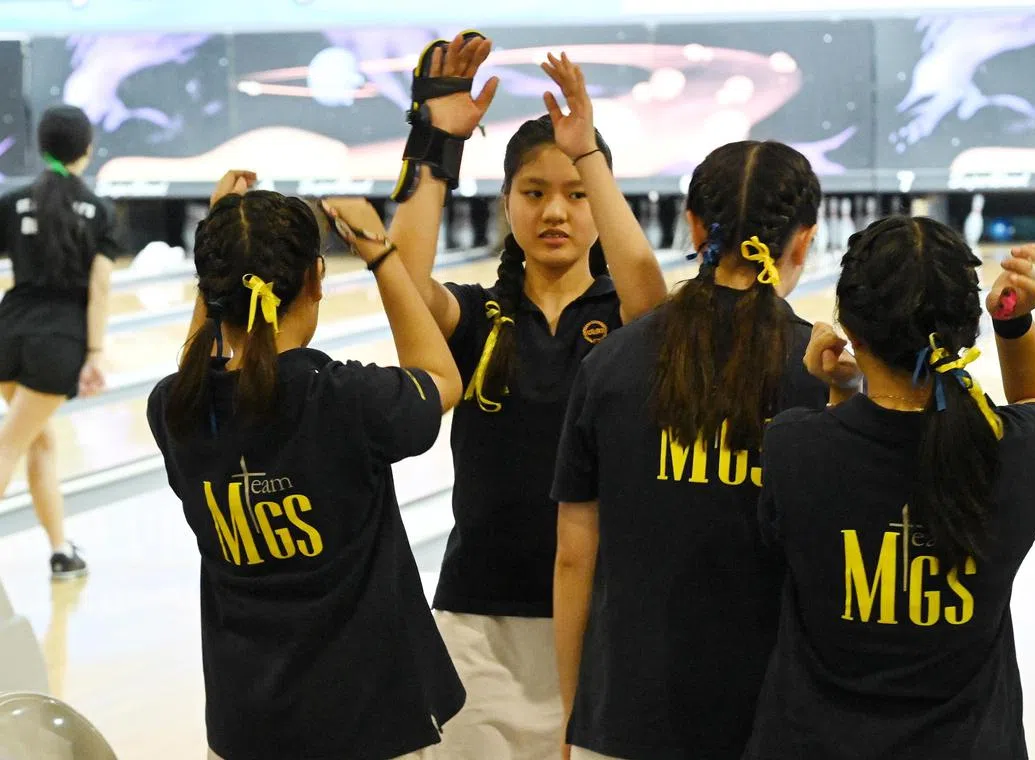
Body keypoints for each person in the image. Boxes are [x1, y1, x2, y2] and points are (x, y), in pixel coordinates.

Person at [388, 35, 668, 758]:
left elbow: (650, 294)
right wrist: (434, 143)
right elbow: (406, 279)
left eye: (576, 196)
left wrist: (589, 157)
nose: (556, 212)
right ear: (506, 200)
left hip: (606, 620)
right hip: (479, 625)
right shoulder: (480, 317)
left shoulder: (631, 319)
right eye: (535, 193)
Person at [146, 170, 466, 760]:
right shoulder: (342, 398)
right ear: (317, 278)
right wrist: (380, 252)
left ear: (209, 288)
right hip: (367, 725)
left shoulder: (173, 407)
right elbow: (444, 379)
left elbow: (201, 364)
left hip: (245, 726)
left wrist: (221, 253)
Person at [743, 218, 1035, 759]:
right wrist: (1013, 324)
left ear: (849, 325)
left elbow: (839, 471)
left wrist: (837, 394)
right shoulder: (1011, 451)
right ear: (966, 329)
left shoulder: (792, 447)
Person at [549, 140, 829, 760]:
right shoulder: (825, 377)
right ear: (804, 240)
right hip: (773, 723)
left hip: (623, 719)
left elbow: (574, 555)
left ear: (695, 226)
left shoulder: (610, 365)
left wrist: (575, 715)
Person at [0, 104, 118, 579]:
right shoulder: (100, 210)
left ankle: (60, 549)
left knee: (38, 440)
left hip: (8, 333)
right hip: (58, 344)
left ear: (41, 146)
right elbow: (100, 289)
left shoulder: (13, 201)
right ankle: (60, 548)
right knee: (11, 444)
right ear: (87, 149)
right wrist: (93, 354)